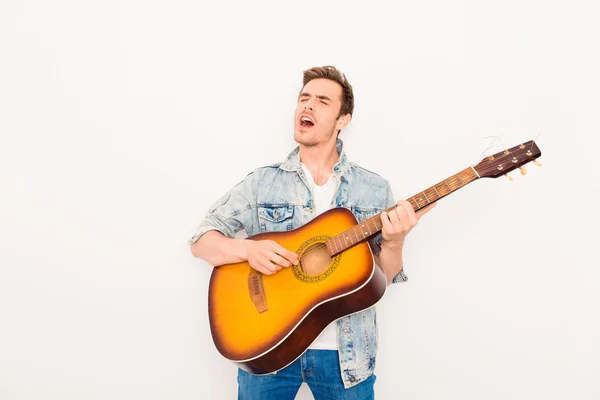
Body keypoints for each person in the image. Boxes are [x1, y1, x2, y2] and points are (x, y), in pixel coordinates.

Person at [188, 65, 436, 399]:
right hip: (267, 349)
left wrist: (395, 241)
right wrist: (249, 251)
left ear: (342, 119)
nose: (308, 106)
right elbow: (202, 241)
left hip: (346, 359)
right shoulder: (263, 182)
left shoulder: (373, 189)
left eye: (322, 101)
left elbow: (383, 278)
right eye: (304, 98)